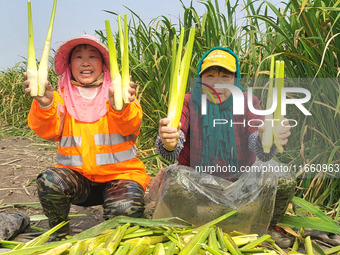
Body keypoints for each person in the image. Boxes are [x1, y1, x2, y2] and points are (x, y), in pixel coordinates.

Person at [23, 35, 151, 237]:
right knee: (49, 181)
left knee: (124, 210)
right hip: (78, 182)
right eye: (78, 57)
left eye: (92, 56)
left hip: (120, 178)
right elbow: (47, 131)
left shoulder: (119, 94)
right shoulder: (59, 98)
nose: (85, 62)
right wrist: (45, 104)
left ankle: (115, 231)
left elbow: (131, 125)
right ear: (69, 65)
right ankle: (59, 233)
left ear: (103, 65)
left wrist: (120, 108)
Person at [156, 46, 291, 176]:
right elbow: (172, 148)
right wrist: (169, 143)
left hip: (238, 180)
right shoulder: (189, 101)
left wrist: (265, 138)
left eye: (225, 77)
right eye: (209, 76)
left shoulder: (247, 103)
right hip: (194, 180)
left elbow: (259, 145)